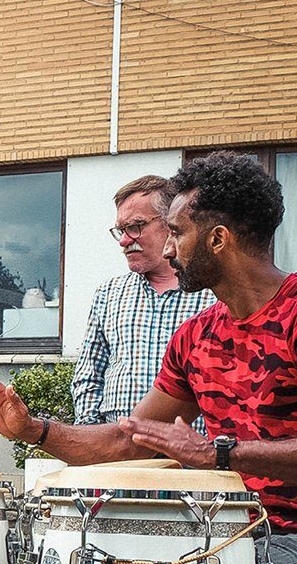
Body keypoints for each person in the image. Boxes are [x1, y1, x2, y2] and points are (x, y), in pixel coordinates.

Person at [0, 151, 297, 564]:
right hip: (229, 534)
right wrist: (34, 430)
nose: (169, 252)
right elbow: (128, 443)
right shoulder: (197, 337)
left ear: (217, 239)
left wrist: (219, 453)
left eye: (178, 234)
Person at [72, 174, 215, 424]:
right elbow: (88, 374)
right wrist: (91, 434)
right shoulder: (109, 294)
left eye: (135, 226)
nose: (125, 241)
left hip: (194, 452)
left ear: (171, 223)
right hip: (121, 454)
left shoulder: (213, 293)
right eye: (120, 230)